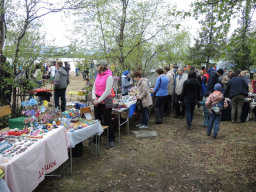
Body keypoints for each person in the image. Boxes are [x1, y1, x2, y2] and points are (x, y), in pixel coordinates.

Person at [92, 60, 115, 147]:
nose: (96, 67)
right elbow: (94, 87)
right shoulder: (98, 75)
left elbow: (107, 91)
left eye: (98, 65)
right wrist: (94, 98)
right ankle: (96, 138)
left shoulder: (109, 76)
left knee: (107, 120)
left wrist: (98, 100)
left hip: (107, 100)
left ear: (101, 66)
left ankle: (111, 139)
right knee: (97, 120)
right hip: (97, 99)